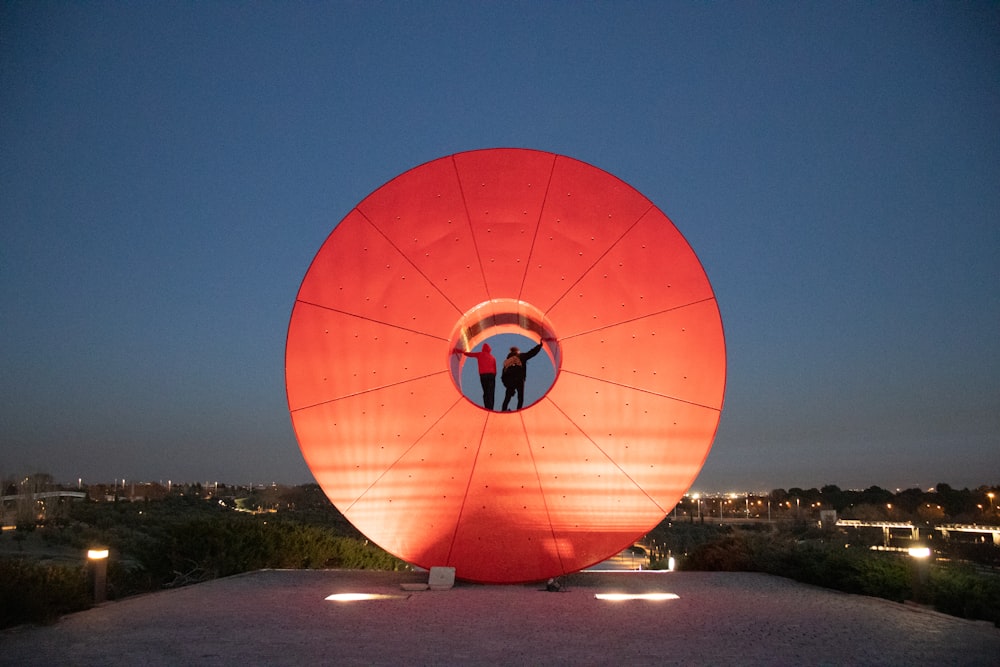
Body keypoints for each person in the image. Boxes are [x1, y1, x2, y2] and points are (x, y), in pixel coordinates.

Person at [500, 341, 544, 411]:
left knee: (507, 397)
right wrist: (539, 346)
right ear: (517, 351)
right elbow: (531, 353)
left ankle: (503, 411)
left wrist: (507, 385)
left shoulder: (507, 361)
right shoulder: (520, 356)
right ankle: (518, 411)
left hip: (510, 380)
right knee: (520, 398)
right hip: (519, 379)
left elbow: (503, 376)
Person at [457, 343, 497, 410]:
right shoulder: (492, 357)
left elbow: (470, 354)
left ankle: (486, 407)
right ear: (489, 350)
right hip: (491, 375)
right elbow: (495, 368)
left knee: (485, 391)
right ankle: (491, 407)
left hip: (483, 375)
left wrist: (462, 352)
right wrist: (494, 376)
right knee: (491, 392)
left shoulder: (480, 354)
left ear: (483, 349)